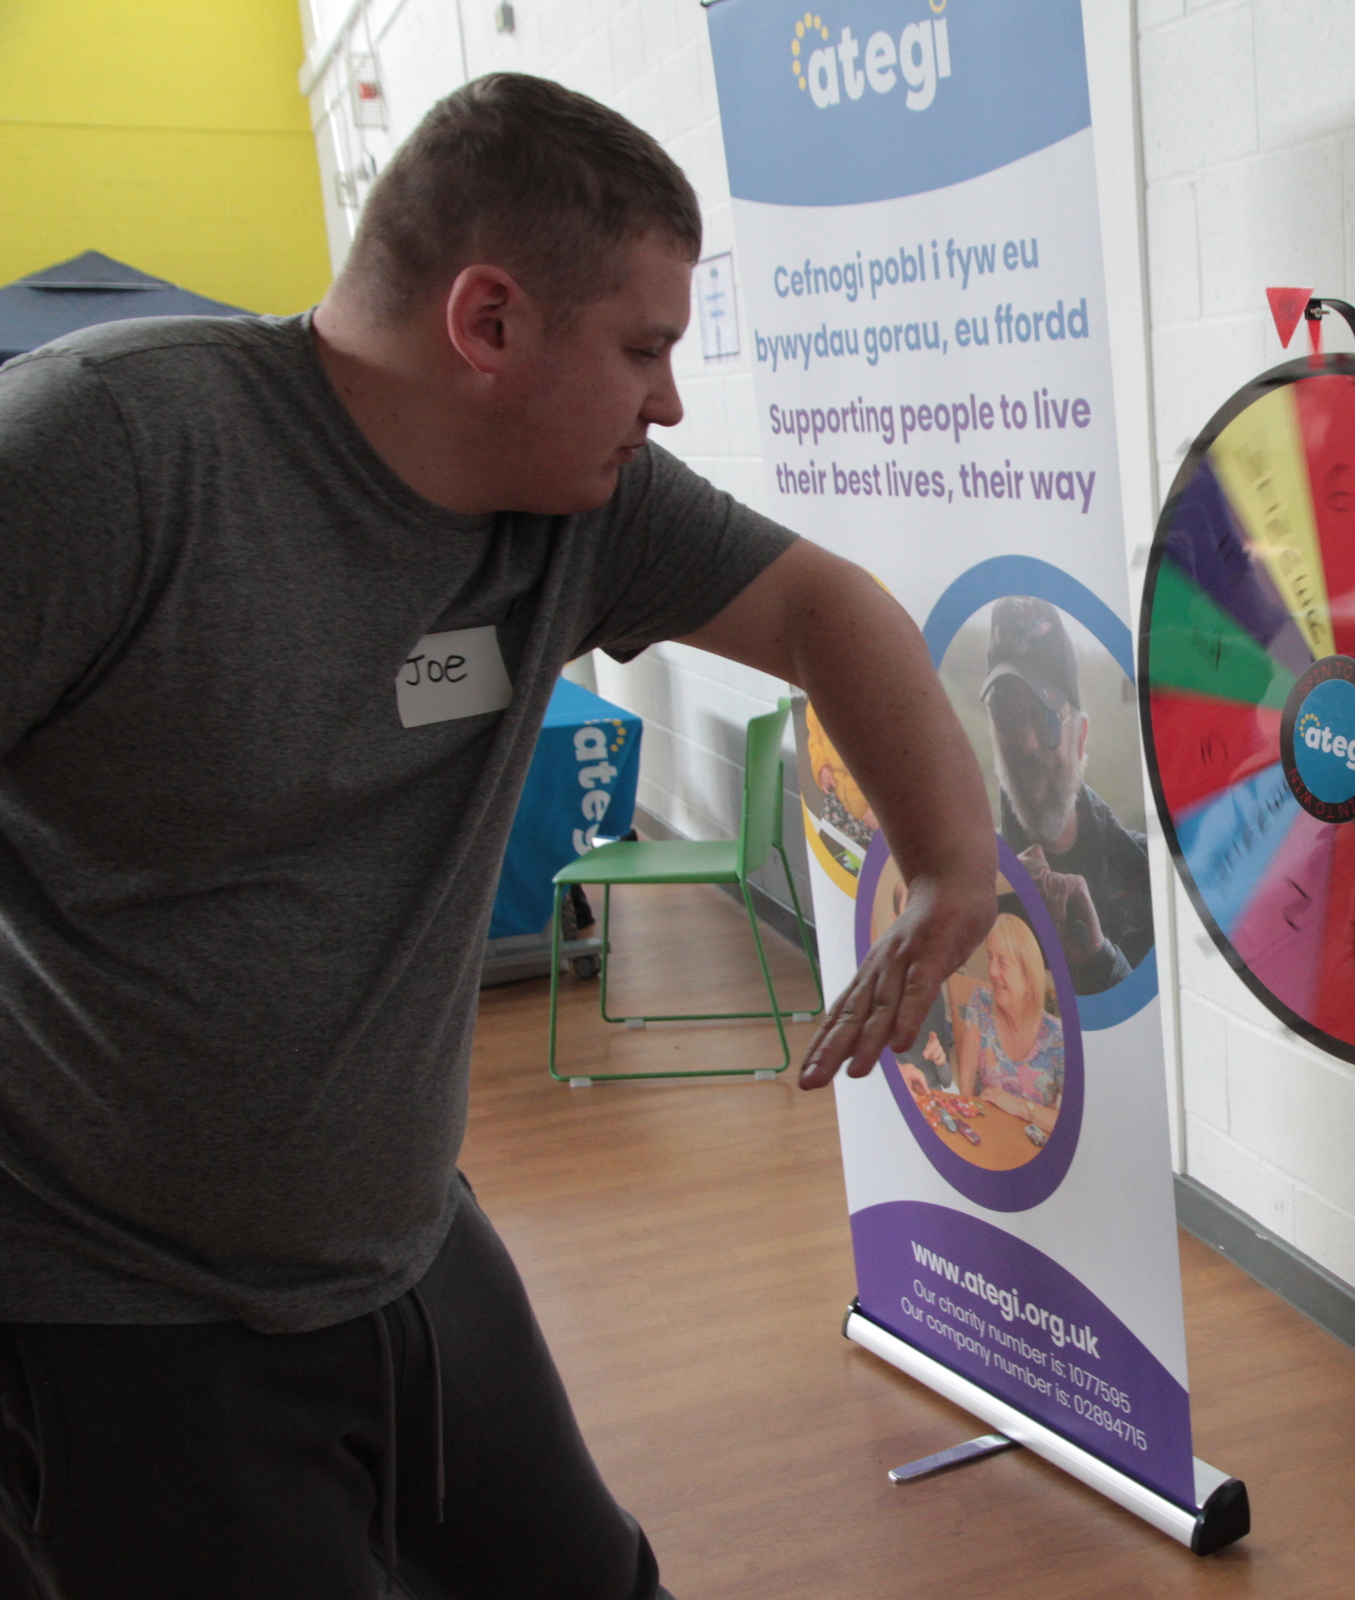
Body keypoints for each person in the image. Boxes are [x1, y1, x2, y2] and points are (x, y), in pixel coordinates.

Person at [0, 73, 994, 1598]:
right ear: (487, 324)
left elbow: (821, 606)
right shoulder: (110, 455)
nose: (668, 399)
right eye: (644, 349)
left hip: (406, 1244)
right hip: (119, 1318)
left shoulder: (585, 508)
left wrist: (953, 868)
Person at [980, 595, 1153, 996]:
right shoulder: (976, 877)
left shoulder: (1146, 872)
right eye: (1005, 709)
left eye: (1044, 717)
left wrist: (1098, 956)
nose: (1025, 742)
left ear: (1080, 738)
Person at [948, 912, 1066, 1134]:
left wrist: (1019, 1106)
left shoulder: (1058, 1037)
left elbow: (1073, 1123)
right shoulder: (981, 1003)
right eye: (990, 956)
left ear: (1028, 974)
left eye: (1002, 962)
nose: (991, 971)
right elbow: (965, 1088)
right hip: (986, 1135)